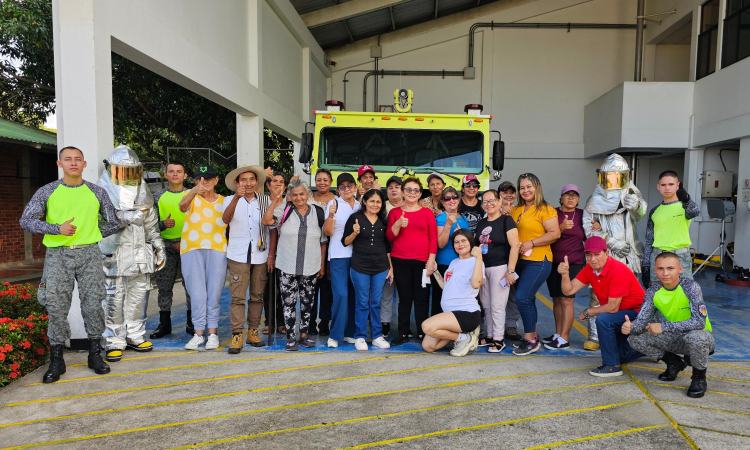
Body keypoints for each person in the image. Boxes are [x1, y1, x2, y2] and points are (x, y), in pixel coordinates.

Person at [20, 146, 118, 382]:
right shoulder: (48, 191)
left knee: (93, 303)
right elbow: (26, 220)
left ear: (84, 164)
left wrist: (93, 233)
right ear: (59, 164)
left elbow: (114, 222)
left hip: (89, 254)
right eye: (68, 159)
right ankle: (57, 360)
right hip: (57, 254)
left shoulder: (97, 192)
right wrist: (57, 229)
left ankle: (95, 355)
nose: (73, 163)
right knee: (55, 305)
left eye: (78, 160)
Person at [97, 145, 166, 362]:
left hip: (140, 255)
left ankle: (135, 335)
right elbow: (98, 225)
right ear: (110, 169)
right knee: (114, 299)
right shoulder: (100, 194)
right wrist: (127, 217)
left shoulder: (143, 192)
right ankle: (113, 341)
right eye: (122, 170)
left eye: (132, 171)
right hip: (115, 253)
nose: (127, 176)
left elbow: (151, 225)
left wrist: (159, 247)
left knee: (139, 295)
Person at [625, 252, 714, 398]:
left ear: (680, 269)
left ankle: (699, 378)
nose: (665, 273)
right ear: (655, 270)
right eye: (660, 269)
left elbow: (699, 322)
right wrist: (630, 327)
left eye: (670, 268)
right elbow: (641, 323)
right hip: (675, 338)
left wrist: (664, 327)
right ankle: (674, 363)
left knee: (698, 338)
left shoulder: (690, 287)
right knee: (634, 338)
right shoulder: (653, 292)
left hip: (699, 337)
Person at [582, 153, 647, 351]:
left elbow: (640, 212)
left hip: (630, 255)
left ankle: (629, 334)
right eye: (609, 177)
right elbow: (587, 227)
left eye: (617, 177)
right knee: (598, 296)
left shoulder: (631, 194)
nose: (613, 182)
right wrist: (610, 241)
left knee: (632, 297)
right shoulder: (593, 200)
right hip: (604, 256)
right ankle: (595, 335)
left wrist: (635, 205)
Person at [560, 236, 645, 377]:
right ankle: (654, 349)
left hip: (639, 314)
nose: (592, 259)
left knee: (604, 319)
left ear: (607, 253)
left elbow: (612, 308)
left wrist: (589, 311)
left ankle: (612, 366)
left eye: (597, 254)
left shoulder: (617, 270)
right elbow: (568, 290)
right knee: (621, 355)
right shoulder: (590, 269)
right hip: (622, 314)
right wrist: (564, 274)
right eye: (588, 254)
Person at [263, 179, 327, 351]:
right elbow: (267, 221)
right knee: (288, 303)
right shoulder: (284, 209)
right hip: (287, 264)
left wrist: (322, 265)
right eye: (294, 195)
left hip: (311, 265)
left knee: (308, 303)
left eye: (302, 194)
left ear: (308, 195)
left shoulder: (318, 212)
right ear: (290, 196)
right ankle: (291, 337)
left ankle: (304, 336)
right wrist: (276, 201)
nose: (298, 198)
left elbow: (322, 241)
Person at [222, 165, 272, 354]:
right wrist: (236, 197)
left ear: (256, 182)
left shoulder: (265, 200)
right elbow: (226, 219)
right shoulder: (228, 199)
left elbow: (270, 225)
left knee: (257, 295)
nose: (248, 183)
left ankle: (253, 332)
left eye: (252, 179)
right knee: (238, 297)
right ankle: (237, 335)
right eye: (244, 180)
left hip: (260, 253)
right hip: (238, 254)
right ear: (237, 183)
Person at [509, 173, 561, 355]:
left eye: (529, 186)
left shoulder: (545, 209)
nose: (525, 190)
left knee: (522, 297)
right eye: (522, 187)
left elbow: (554, 233)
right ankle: (531, 336)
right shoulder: (516, 209)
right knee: (528, 298)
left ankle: (531, 339)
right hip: (520, 261)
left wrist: (532, 242)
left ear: (537, 188)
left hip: (538, 260)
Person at [179, 165, 228, 351]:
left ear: (216, 180)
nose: (204, 182)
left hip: (217, 249)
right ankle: (198, 334)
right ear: (194, 181)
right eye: (199, 178)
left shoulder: (224, 201)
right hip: (191, 249)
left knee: (214, 293)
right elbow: (182, 207)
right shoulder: (189, 196)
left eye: (208, 178)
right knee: (197, 293)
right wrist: (193, 192)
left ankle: (213, 334)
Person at [386, 177, 438, 345]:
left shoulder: (427, 212)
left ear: (420, 193)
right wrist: (398, 224)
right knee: (405, 298)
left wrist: (431, 261)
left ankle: (422, 332)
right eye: (408, 189)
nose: (412, 193)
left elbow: (433, 238)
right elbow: (389, 236)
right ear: (402, 192)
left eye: (416, 190)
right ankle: (403, 332)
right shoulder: (395, 213)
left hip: (422, 261)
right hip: (400, 260)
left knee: (422, 298)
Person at [343, 189, 393, 351]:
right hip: (360, 267)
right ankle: (360, 336)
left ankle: (377, 336)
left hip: (380, 267)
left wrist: (391, 268)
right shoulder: (355, 218)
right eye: (372, 201)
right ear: (364, 201)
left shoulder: (383, 220)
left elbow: (387, 247)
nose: (375, 205)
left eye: (378, 202)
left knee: (375, 303)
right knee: (362, 303)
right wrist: (355, 233)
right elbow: (345, 241)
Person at [421, 229, 483, 357]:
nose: (460, 244)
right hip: (451, 314)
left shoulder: (475, 262)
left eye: (463, 241)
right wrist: (436, 271)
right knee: (428, 346)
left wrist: (479, 257)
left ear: (470, 242)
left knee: (427, 326)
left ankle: (465, 339)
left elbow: (476, 284)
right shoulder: (454, 263)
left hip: (467, 313)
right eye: (456, 242)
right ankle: (463, 336)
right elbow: (446, 286)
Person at [151, 161, 193, 339]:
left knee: (191, 286)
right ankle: (165, 324)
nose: (175, 174)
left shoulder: (192, 195)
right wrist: (162, 224)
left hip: (189, 246)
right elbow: (149, 224)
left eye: (179, 171)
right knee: (164, 287)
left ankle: (192, 323)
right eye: (171, 172)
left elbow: (200, 222)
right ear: (165, 175)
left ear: (185, 176)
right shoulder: (157, 196)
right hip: (165, 247)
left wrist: (184, 241)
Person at [475, 190, 520, 353]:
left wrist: (510, 270)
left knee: (497, 305)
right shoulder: (481, 223)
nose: (489, 204)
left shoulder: (507, 220)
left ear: (499, 201)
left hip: (500, 268)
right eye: (485, 202)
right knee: (486, 304)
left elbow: (515, 246)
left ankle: (499, 339)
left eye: (492, 200)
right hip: (483, 269)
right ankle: (490, 335)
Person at [543, 184, 586, 350]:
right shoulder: (553, 213)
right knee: (556, 299)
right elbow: (546, 235)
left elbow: (591, 232)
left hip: (574, 262)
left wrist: (597, 226)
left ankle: (565, 338)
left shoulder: (582, 215)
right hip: (553, 262)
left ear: (578, 199)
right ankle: (558, 333)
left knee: (567, 299)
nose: (570, 198)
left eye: (574, 195)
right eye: (567, 195)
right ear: (561, 197)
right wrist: (560, 228)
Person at [642, 171, 699, 287]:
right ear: (658, 187)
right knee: (656, 295)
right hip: (657, 257)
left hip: (680, 257)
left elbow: (694, 212)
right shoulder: (654, 211)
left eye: (671, 184)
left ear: (678, 185)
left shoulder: (685, 206)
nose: (667, 188)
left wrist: (687, 199)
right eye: (663, 185)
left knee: (684, 292)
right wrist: (646, 265)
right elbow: (649, 240)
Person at [324, 173, 361, 348]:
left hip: (358, 256)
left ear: (355, 187)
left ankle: (350, 332)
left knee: (354, 295)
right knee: (341, 295)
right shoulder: (334, 204)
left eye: (349, 185)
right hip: (338, 255)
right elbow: (328, 232)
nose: (346, 189)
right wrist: (331, 216)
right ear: (338, 189)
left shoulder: (361, 205)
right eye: (342, 186)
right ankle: (335, 333)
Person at [433, 186, 469, 317]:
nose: (451, 200)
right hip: (446, 265)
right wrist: (448, 226)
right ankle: (438, 331)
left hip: (463, 265)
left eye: (454, 197)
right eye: (447, 198)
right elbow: (440, 244)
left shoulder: (463, 218)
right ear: (442, 202)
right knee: (442, 300)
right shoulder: (442, 217)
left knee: (459, 301)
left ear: (459, 199)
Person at [309, 168, 336, 335]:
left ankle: (325, 321)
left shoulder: (337, 200)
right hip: (311, 247)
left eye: (325, 180)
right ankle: (310, 321)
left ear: (330, 182)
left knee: (327, 289)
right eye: (319, 180)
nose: (322, 183)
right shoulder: (308, 199)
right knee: (310, 289)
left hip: (332, 248)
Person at [498, 181, 522, 341]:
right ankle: (491, 326)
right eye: (505, 192)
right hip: (496, 258)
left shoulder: (519, 210)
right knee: (493, 293)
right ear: (498, 195)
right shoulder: (492, 209)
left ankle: (510, 325)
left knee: (513, 294)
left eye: (512, 192)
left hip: (515, 259)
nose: (509, 195)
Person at [262, 171, 285, 335]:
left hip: (285, 252)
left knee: (284, 289)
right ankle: (269, 322)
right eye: (274, 181)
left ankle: (282, 322)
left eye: (281, 182)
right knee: (268, 289)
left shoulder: (289, 203)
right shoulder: (262, 202)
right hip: (264, 252)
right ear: (268, 185)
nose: (277, 184)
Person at [381, 176, 404, 336]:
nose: (394, 189)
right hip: (385, 254)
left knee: (404, 293)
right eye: (390, 187)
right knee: (386, 292)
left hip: (404, 256)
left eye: (397, 186)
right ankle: (385, 323)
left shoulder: (411, 206)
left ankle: (403, 324)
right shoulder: (382, 207)